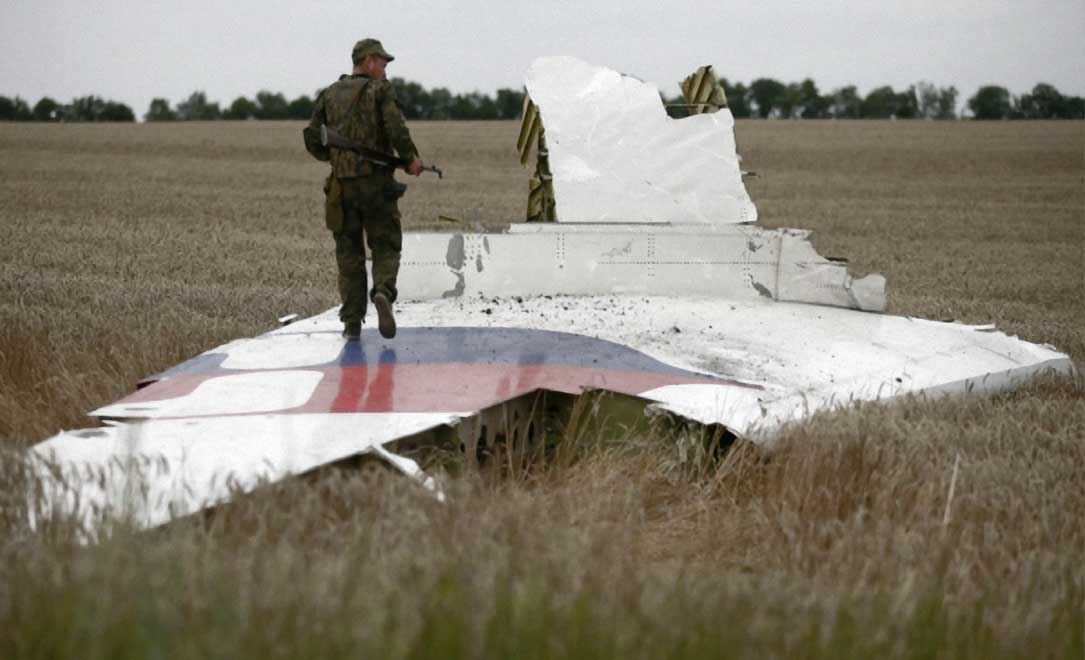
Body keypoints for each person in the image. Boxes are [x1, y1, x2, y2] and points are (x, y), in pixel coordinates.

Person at [302, 38, 424, 340]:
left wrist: (335, 158)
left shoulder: (329, 93)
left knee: (349, 256)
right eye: (383, 63)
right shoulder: (379, 90)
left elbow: (312, 138)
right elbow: (396, 128)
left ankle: (352, 324)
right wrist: (411, 159)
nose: (385, 70)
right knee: (385, 244)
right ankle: (382, 291)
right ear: (369, 61)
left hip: (341, 188)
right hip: (376, 185)